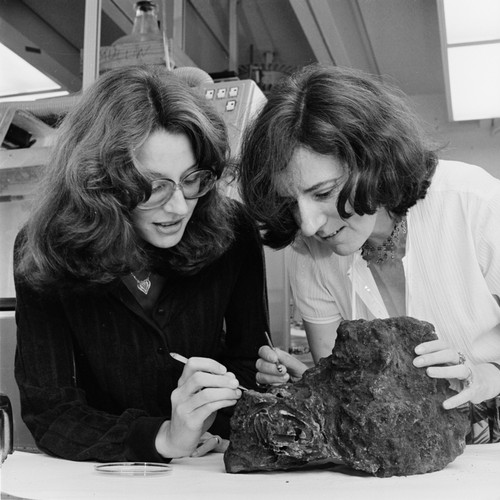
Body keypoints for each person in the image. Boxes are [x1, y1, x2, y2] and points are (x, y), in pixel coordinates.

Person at [14, 65, 270, 462]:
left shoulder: (233, 231)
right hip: (102, 474)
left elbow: (249, 364)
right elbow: (51, 413)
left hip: (209, 465)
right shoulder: (44, 249)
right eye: (153, 186)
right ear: (100, 184)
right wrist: (164, 437)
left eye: (192, 179)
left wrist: (213, 424)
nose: (179, 206)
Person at [239, 63, 500, 443]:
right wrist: (311, 386)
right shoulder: (308, 251)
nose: (309, 224)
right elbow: (341, 382)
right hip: (398, 447)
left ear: (373, 161)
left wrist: (486, 374)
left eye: (323, 193)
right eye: (290, 202)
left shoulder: (476, 204)